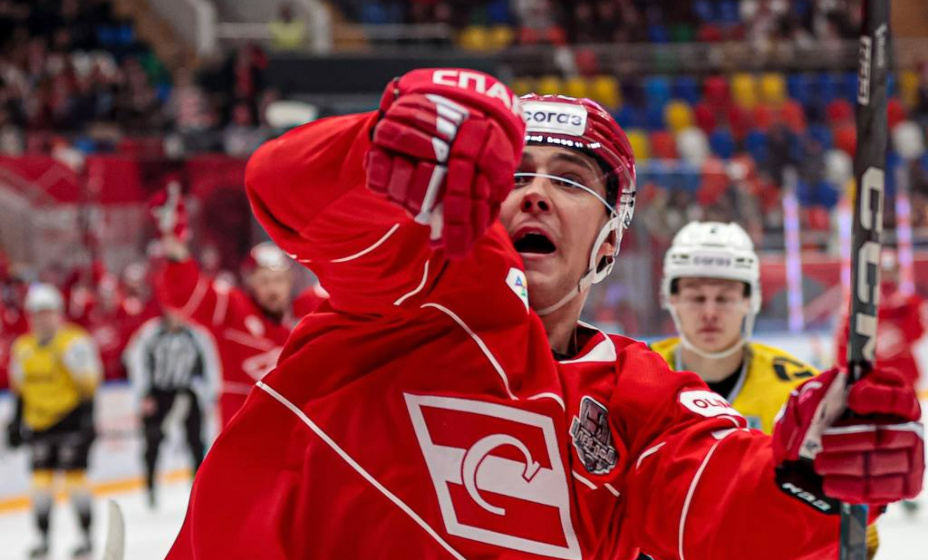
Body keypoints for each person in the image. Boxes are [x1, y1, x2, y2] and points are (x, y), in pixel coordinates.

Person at [167, 69, 923, 559]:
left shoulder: (639, 401)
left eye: (569, 179)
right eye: (513, 172)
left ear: (609, 242)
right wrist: (387, 150)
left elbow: (722, 503)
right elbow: (288, 194)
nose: (533, 192)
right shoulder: (406, 289)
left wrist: (813, 474)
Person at [651, 220, 880, 557]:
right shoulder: (637, 378)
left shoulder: (800, 392)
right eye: (696, 297)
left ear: (750, 300)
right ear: (671, 298)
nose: (710, 312)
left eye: (725, 298)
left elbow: (855, 533)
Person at [150, 183, 324, 426]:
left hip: (297, 436)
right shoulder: (234, 310)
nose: (273, 289)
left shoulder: (309, 312)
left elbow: (354, 290)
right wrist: (173, 243)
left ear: (289, 282)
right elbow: (184, 295)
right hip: (245, 437)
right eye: (264, 281)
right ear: (251, 283)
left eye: (278, 281)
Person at [5, 284, 101, 560]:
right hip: (39, 425)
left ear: (58, 313)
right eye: (36, 314)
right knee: (40, 487)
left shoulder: (74, 343)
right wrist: (15, 422)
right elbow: (20, 389)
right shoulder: (23, 347)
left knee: (75, 483)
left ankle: (86, 538)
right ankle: (43, 540)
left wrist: (88, 422)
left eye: (47, 313)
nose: (42, 319)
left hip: (71, 422)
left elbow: (88, 386)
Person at [123, 309, 220, 508]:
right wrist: (143, 394)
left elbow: (211, 365)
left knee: (196, 443)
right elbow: (136, 361)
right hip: (157, 394)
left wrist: (210, 396)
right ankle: (150, 488)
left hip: (188, 392)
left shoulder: (197, 335)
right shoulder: (150, 333)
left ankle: (198, 491)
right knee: (152, 442)